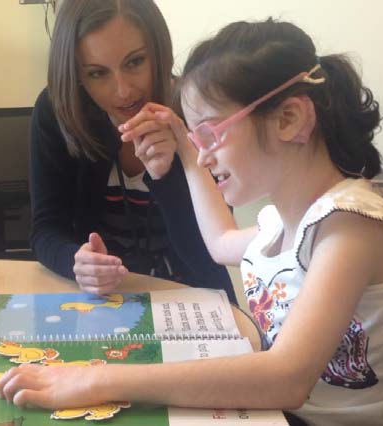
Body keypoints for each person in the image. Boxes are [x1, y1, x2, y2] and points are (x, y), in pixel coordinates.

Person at [0, 19, 383, 426]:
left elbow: (286, 379)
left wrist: (93, 380)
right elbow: (221, 241)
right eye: (196, 138)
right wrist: (183, 149)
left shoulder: (349, 227)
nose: (204, 156)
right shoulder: (283, 223)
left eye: (209, 133)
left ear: (289, 119)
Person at [29, 0, 233, 299]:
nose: (123, 91)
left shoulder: (194, 109)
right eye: (98, 73)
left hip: (191, 296)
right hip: (100, 300)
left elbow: (215, 249)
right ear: (76, 75)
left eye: (135, 62)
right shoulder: (57, 112)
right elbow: (45, 229)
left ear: (158, 52)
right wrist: (75, 261)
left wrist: (169, 173)